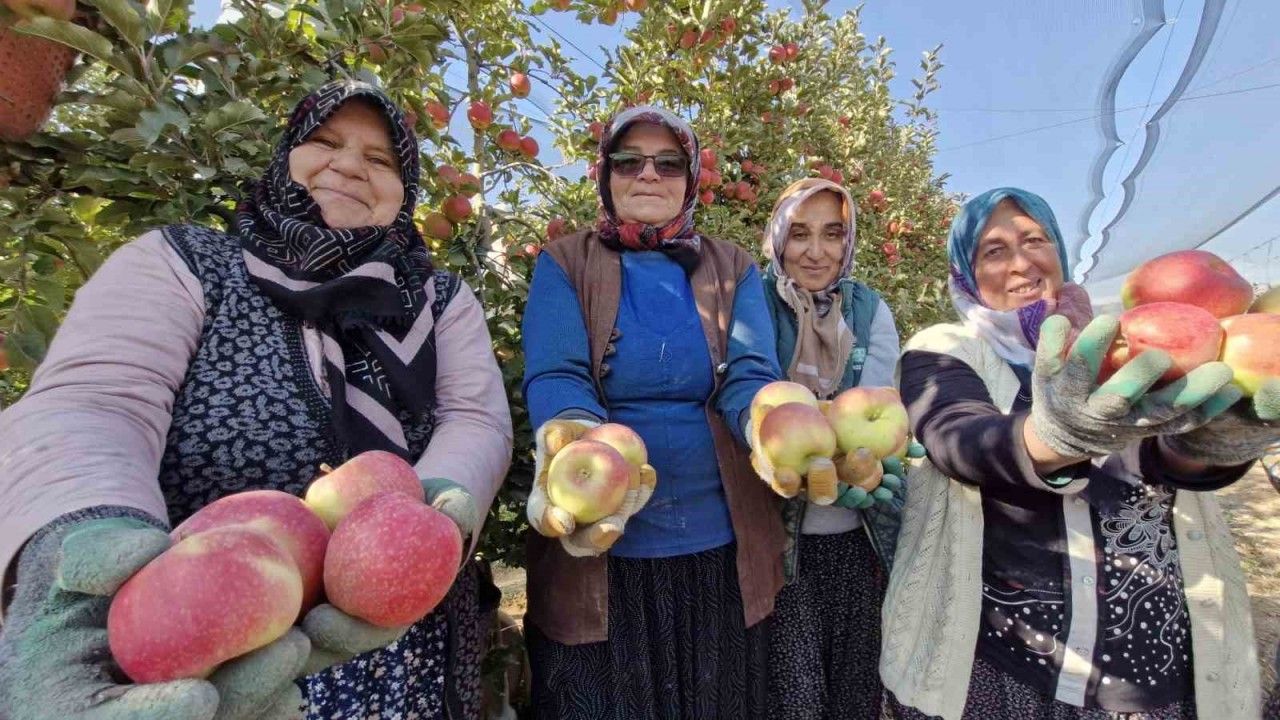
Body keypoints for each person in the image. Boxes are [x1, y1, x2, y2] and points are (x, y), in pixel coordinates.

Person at [0, 79, 512, 719]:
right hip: (191, 632)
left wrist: (431, 521)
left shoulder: (437, 298)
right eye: (324, 142)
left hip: (399, 631)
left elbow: (474, 417)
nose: (350, 165)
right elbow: (96, 401)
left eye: (380, 160)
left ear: (404, 191)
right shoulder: (186, 262)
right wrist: (72, 535)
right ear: (285, 156)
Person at [883, 187, 1276, 720]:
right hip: (1007, 663)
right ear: (966, 275)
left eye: (1034, 240)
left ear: (1058, 253)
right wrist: (1060, 436)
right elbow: (960, 440)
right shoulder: (946, 347)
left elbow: (1168, 461)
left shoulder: (1122, 343)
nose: (1021, 262)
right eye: (994, 251)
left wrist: (1217, 441)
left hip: (1150, 664)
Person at [519, 105, 786, 719]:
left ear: (690, 178)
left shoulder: (733, 266)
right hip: (607, 548)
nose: (648, 174)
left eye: (668, 163)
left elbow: (749, 372)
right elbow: (559, 372)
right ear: (604, 174)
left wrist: (766, 423)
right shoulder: (565, 262)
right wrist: (575, 439)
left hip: (718, 545)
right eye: (629, 161)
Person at [759, 177, 911, 719]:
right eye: (799, 234)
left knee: (855, 693)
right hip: (781, 544)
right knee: (795, 696)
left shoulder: (868, 309)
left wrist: (860, 457)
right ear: (777, 239)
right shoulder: (754, 305)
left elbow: (879, 410)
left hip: (860, 540)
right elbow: (751, 404)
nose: (816, 251)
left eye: (833, 233)